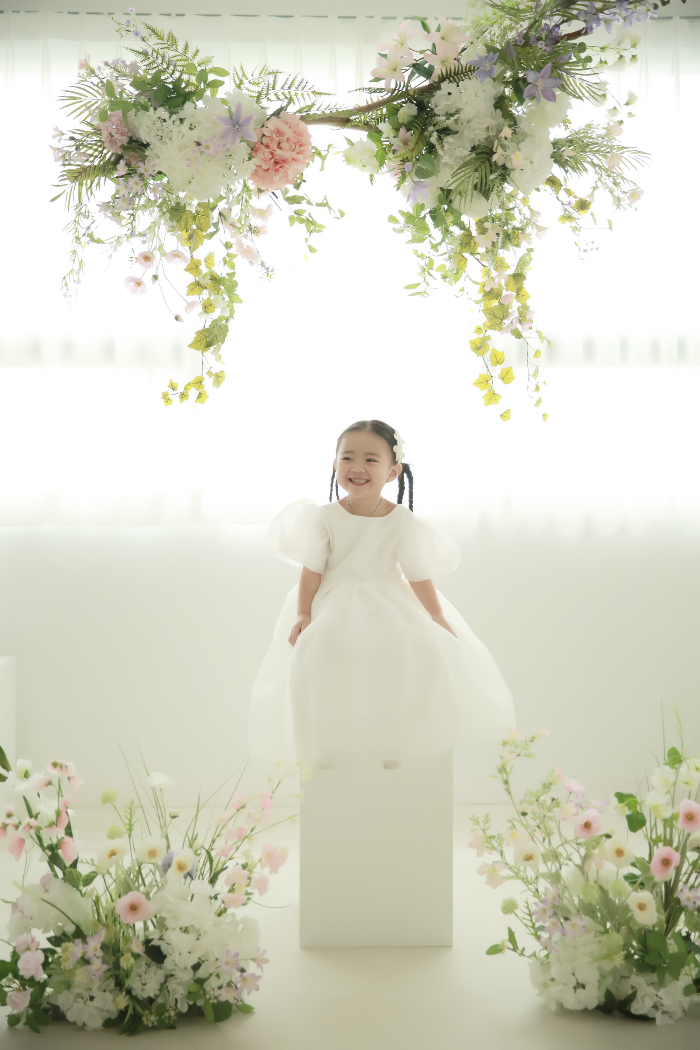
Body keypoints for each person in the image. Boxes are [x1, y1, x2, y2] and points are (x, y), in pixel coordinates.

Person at [248, 419, 514, 769]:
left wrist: (436, 615)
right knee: (320, 645)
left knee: (405, 649)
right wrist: (303, 612)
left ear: (392, 471)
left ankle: (394, 742)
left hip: (388, 600)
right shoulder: (326, 517)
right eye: (347, 458)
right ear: (335, 464)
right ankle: (328, 743)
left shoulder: (400, 520)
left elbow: (418, 575)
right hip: (335, 601)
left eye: (370, 459)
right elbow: (312, 572)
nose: (357, 467)